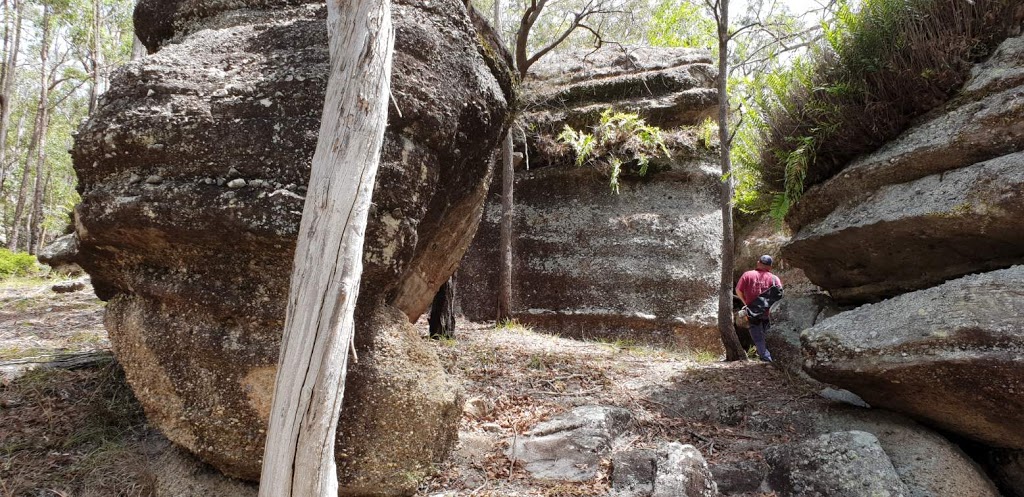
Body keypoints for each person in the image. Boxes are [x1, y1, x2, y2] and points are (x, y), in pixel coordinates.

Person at [736, 255, 783, 362]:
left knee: (757, 337)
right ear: (770, 267)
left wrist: (746, 303)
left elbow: (738, 290)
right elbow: (780, 295)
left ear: (758, 263)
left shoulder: (747, 275)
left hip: (753, 312)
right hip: (770, 312)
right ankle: (773, 358)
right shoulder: (774, 279)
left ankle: (765, 357)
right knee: (769, 335)